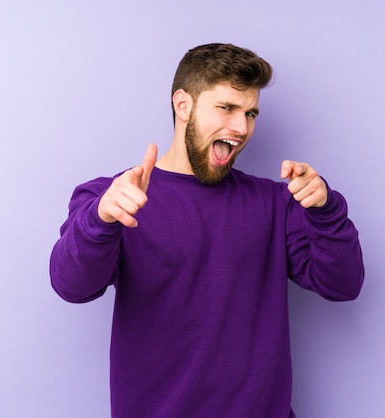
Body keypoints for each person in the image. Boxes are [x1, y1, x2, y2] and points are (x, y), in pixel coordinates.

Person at [50, 43, 364, 418]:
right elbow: (71, 286)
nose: (242, 127)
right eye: (227, 108)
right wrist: (100, 221)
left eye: (250, 113)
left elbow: (343, 285)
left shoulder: (275, 202)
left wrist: (326, 210)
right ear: (183, 105)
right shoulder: (115, 198)